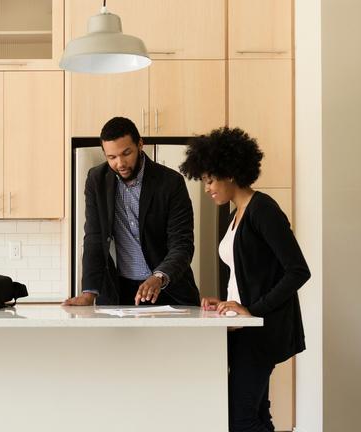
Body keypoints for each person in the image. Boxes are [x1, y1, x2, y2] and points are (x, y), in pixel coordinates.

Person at [179, 127, 310, 432]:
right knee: (256, 414)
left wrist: (254, 310)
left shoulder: (263, 210)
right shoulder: (236, 214)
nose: (208, 188)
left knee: (241, 419)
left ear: (230, 173)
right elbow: (246, 273)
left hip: (260, 329)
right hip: (244, 328)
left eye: (211, 180)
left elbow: (298, 270)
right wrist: (226, 303)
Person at [64, 117, 200, 306]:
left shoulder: (170, 182)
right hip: (120, 292)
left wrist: (158, 277)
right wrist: (89, 293)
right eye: (112, 157)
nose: (120, 163)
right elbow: (94, 238)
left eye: (126, 153)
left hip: (168, 289)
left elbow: (182, 244)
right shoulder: (97, 180)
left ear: (140, 144)